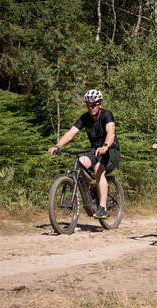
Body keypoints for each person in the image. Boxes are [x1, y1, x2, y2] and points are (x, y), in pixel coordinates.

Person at [48, 89, 121, 219]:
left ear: (100, 103)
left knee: (99, 169)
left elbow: (111, 133)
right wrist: (57, 146)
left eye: (94, 104)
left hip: (111, 150)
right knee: (81, 162)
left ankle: (102, 208)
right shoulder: (84, 118)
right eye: (88, 105)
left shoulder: (106, 115)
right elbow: (71, 133)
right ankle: (90, 195)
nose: (91, 107)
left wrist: (105, 146)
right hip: (94, 150)